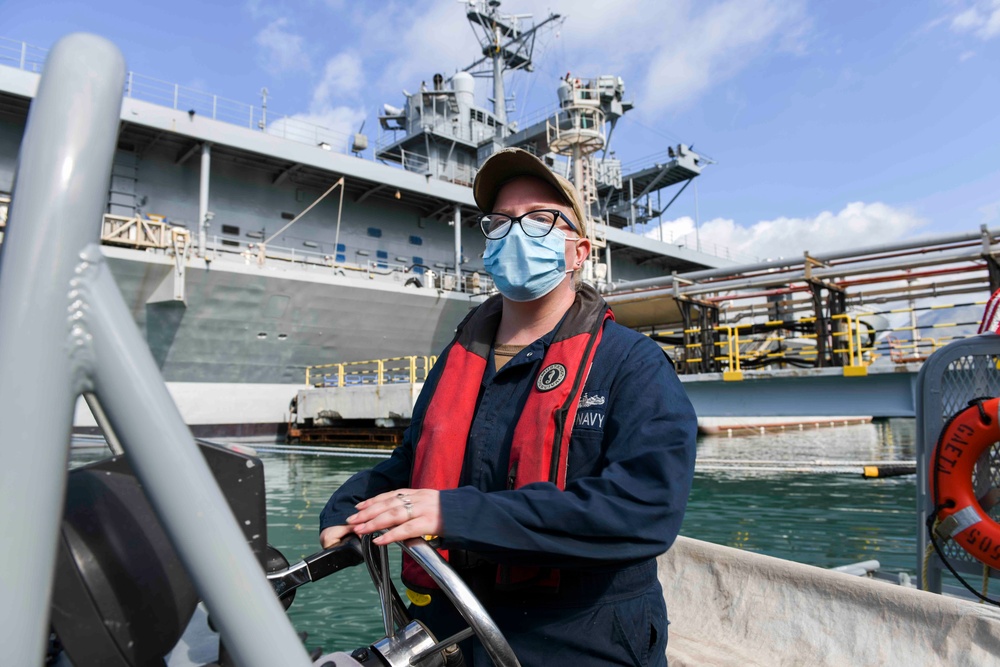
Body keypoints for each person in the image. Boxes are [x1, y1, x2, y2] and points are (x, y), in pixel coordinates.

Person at [319, 147, 697, 666]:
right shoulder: (459, 360)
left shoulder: (631, 364)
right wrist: (353, 507)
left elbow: (643, 509)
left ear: (579, 252)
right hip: (457, 623)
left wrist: (453, 512)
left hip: (582, 636)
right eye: (500, 223)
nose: (517, 233)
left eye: (541, 220)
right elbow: (412, 464)